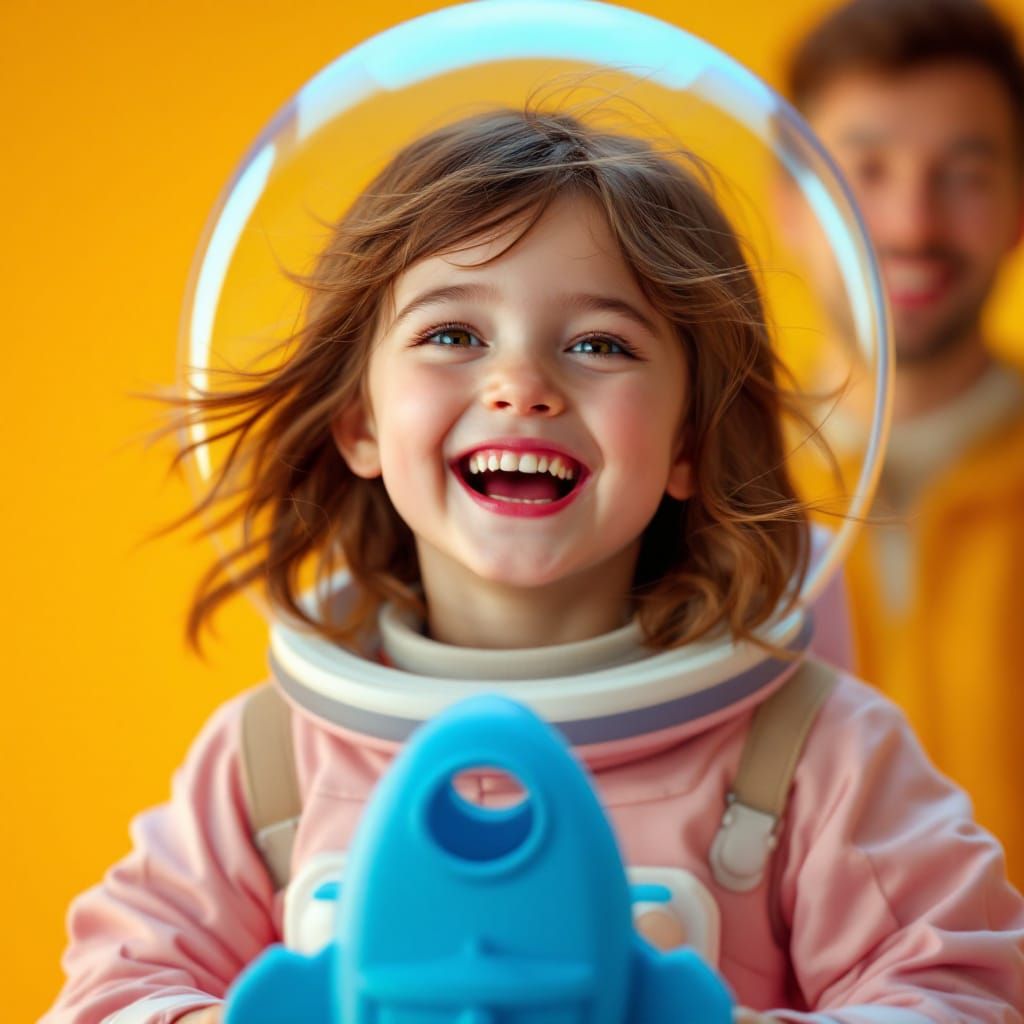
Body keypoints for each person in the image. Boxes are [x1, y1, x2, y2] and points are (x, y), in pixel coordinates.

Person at [43, 109, 1023, 1024]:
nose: (521, 385)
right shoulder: (269, 765)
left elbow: (963, 987)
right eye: (452, 335)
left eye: (598, 343)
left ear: (689, 439)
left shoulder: (809, 751)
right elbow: (109, 990)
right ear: (359, 421)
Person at [784, 0, 1024, 888]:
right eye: (868, 169)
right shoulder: (684, 489)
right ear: (792, 205)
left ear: (1017, 205)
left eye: (964, 173)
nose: (913, 225)